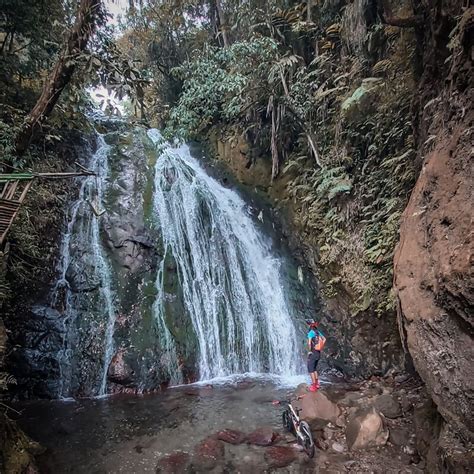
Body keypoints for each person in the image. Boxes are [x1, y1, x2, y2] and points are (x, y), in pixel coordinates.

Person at [305, 319, 326, 392]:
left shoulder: (311, 333)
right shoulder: (317, 332)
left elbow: (309, 343)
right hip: (318, 352)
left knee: (311, 369)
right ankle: (317, 384)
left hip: (313, 352)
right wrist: (320, 347)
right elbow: (324, 339)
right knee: (314, 368)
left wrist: (309, 351)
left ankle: (313, 386)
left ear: (309, 325)